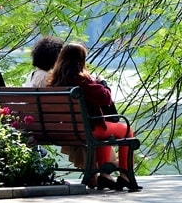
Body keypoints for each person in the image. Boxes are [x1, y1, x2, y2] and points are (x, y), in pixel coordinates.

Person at [47, 42, 139, 191]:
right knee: (127, 130)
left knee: (105, 128)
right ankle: (125, 175)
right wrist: (102, 83)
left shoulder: (53, 82)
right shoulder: (81, 80)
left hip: (68, 130)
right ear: (81, 61)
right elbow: (105, 98)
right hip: (88, 130)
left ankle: (105, 176)